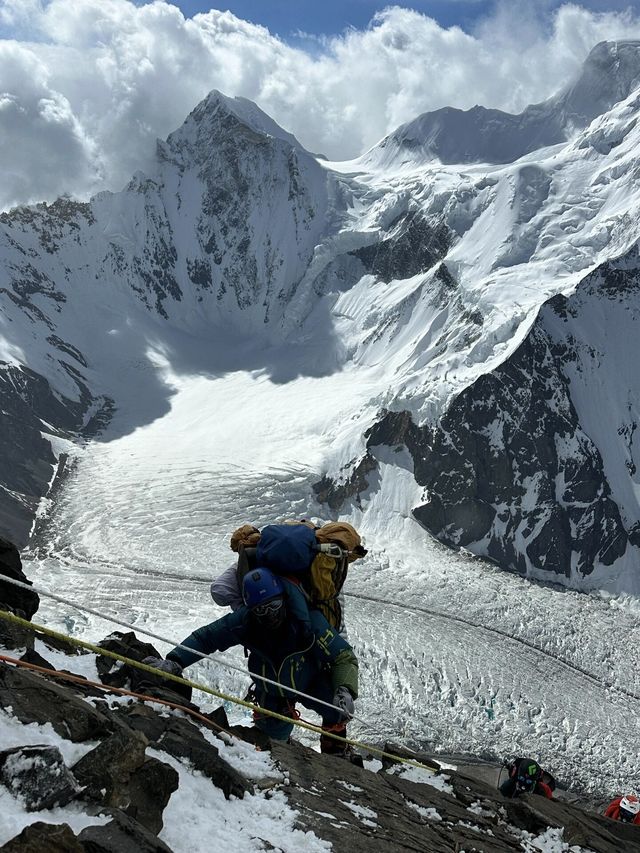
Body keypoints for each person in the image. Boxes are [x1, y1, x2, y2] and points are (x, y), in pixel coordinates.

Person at [149, 567, 359, 757]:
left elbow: (343, 656)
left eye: (274, 605)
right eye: (261, 610)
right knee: (273, 743)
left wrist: (345, 689)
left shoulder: (307, 622)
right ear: (251, 609)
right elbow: (207, 637)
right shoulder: (245, 621)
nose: (269, 614)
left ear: (283, 599)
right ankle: (282, 755)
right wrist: (176, 661)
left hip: (310, 682)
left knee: (336, 711)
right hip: (272, 688)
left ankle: (336, 756)